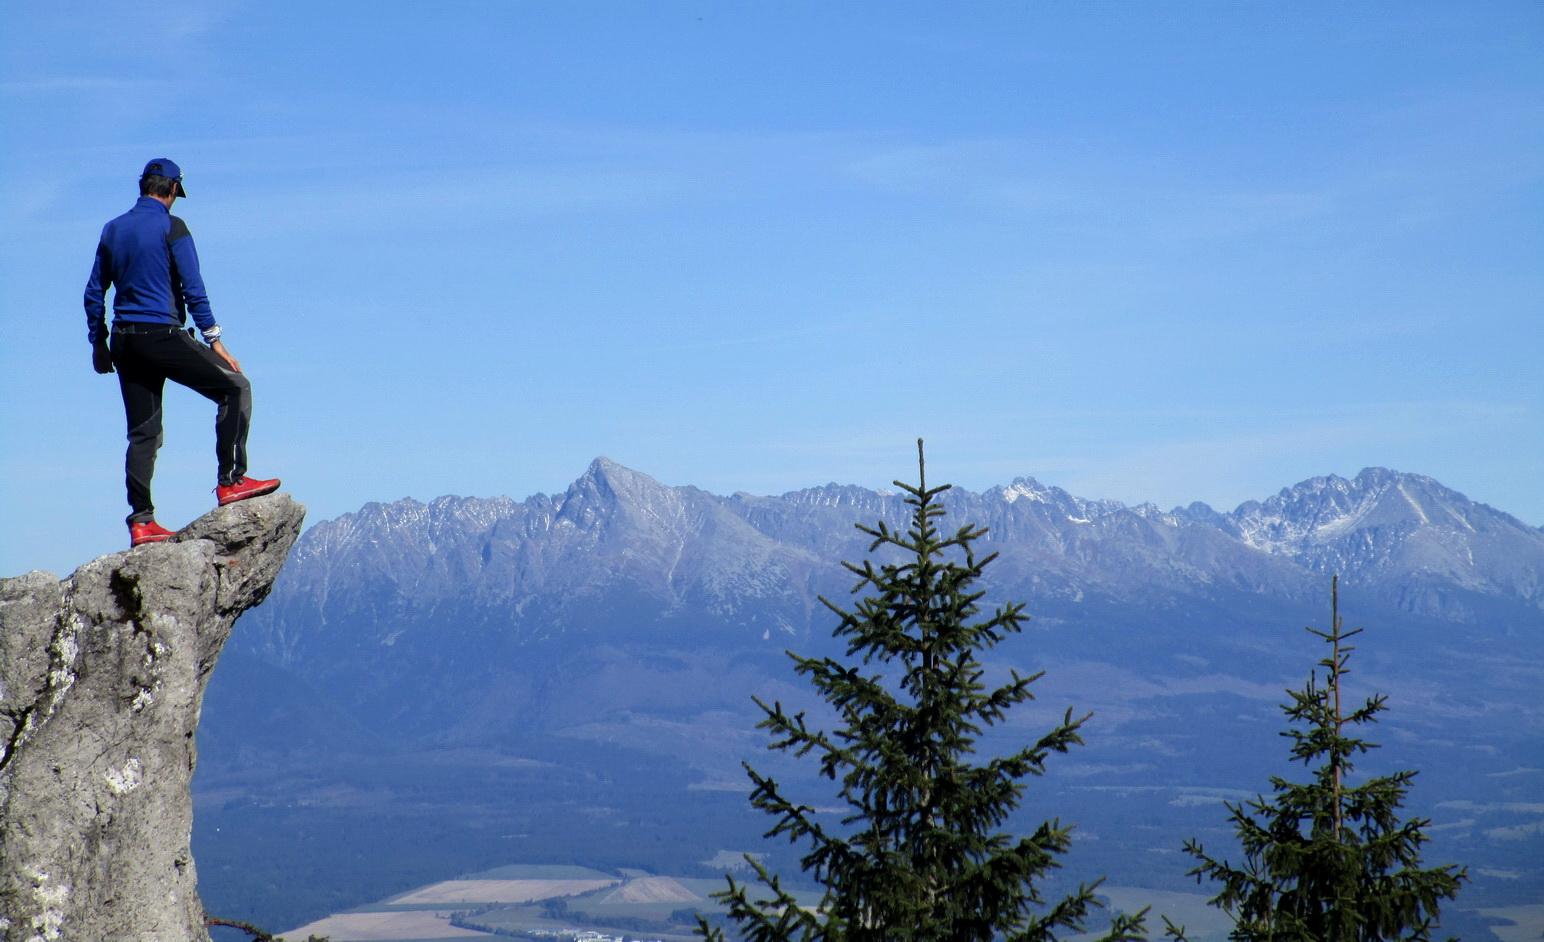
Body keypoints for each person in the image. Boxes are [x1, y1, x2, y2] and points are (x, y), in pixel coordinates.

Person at [84, 157, 279, 547]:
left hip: (124, 340)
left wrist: (99, 343)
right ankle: (232, 481)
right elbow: (193, 287)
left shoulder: (113, 229)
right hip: (162, 335)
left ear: (143, 186)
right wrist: (215, 340)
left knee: (143, 433)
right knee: (235, 388)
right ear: (172, 190)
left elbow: (94, 292)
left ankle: (142, 521)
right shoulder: (172, 227)